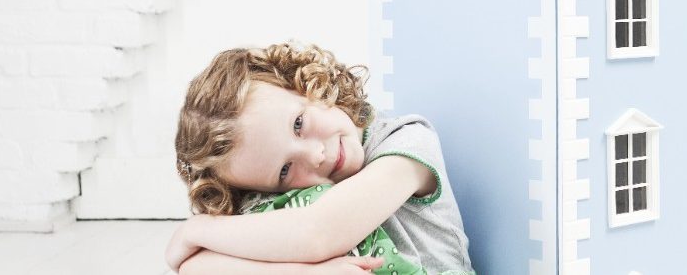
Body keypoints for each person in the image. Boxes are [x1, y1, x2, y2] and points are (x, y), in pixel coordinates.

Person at [166, 41, 474, 275]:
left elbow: (318, 232)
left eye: (299, 124)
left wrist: (196, 229)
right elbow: (196, 266)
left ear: (303, 85)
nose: (316, 155)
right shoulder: (277, 198)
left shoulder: (406, 141)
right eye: (285, 170)